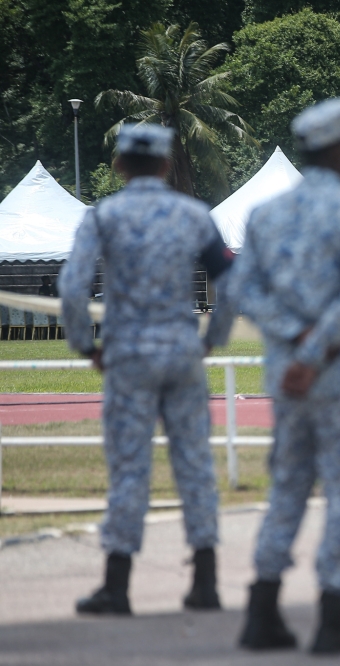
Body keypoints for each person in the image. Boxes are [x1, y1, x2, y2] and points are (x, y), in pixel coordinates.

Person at [59, 124, 236, 617]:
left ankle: (117, 586)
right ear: (165, 164)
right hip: (181, 351)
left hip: (128, 354)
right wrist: (211, 341)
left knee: (129, 467)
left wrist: (84, 347)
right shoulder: (193, 215)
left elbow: (72, 287)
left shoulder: (103, 216)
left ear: (119, 164)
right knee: (195, 464)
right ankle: (206, 581)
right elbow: (231, 283)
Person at [230, 98, 340, 654]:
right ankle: (332, 618)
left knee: (287, 489)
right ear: (338, 150)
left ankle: (262, 609)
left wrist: (293, 341)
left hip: (287, 379)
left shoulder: (263, 215)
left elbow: (242, 290)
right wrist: (316, 349)